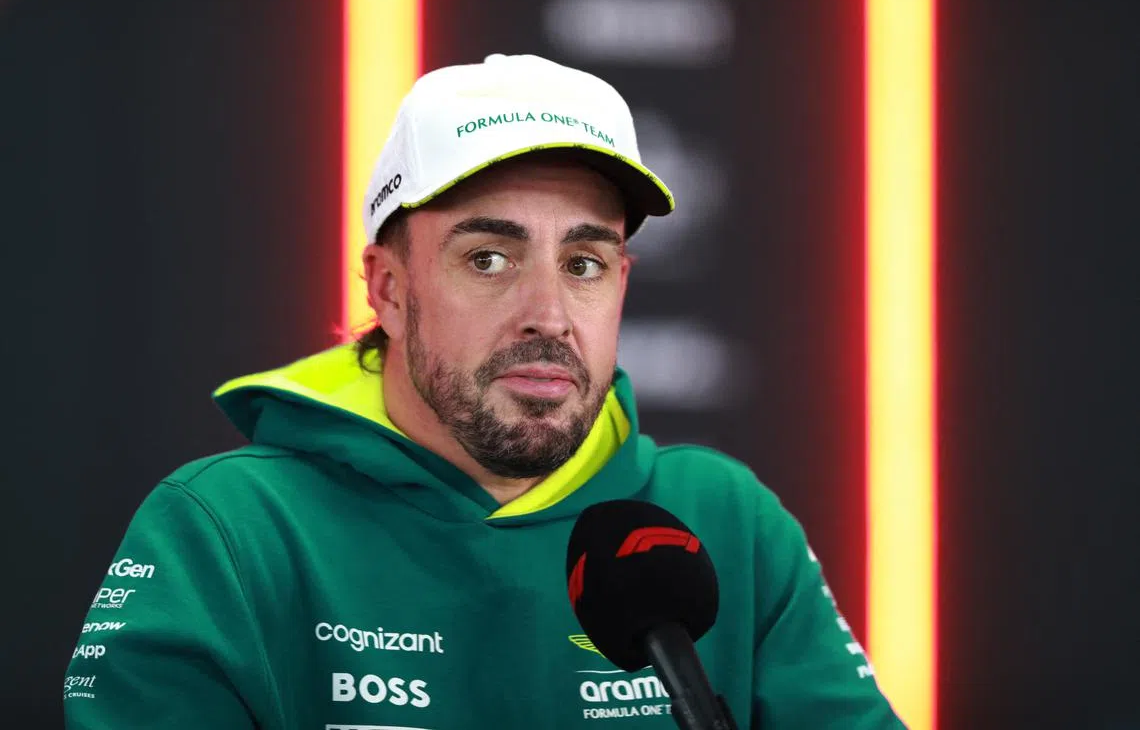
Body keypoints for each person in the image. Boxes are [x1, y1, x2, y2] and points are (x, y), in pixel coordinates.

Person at [64, 53, 905, 729]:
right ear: (389, 289)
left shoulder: (722, 521)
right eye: (489, 259)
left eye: (584, 265)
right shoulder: (227, 533)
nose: (548, 315)